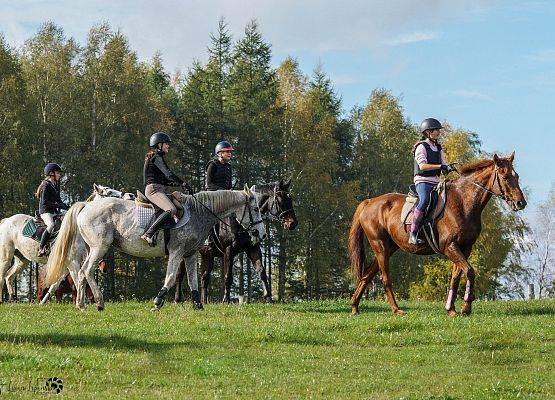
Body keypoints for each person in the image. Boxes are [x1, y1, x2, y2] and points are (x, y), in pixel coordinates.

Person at [141, 132, 194, 246]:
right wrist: (183, 183)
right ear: (159, 145)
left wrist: (179, 185)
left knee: (179, 205)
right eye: (166, 144)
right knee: (171, 209)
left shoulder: (156, 157)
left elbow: (165, 180)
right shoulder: (156, 156)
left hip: (158, 189)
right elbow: (168, 174)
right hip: (154, 190)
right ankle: (148, 234)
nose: (168, 146)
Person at [409, 118, 455, 245]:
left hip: (436, 182)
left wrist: (449, 168)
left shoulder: (438, 148)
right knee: (424, 200)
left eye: (438, 130)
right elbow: (423, 166)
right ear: (428, 132)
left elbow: (443, 164)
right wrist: (441, 167)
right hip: (423, 181)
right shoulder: (421, 147)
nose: (438, 132)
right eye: (436, 130)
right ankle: (412, 233)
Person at [205, 140, 237, 244]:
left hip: (225, 196)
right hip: (212, 196)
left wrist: (230, 191)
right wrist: (224, 191)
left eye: (230, 152)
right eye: (227, 151)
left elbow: (229, 186)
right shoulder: (212, 165)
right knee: (211, 215)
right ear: (220, 153)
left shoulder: (229, 167)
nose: (229, 154)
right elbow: (209, 185)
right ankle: (208, 238)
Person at [36, 163, 69, 256]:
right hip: (46, 212)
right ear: (51, 173)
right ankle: (41, 248)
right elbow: (45, 202)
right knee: (51, 225)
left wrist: (68, 206)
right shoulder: (46, 185)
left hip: (53, 212)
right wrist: (59, 206)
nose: (59, 175)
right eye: (58, 173)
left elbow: (59, 200)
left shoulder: (54, 186)